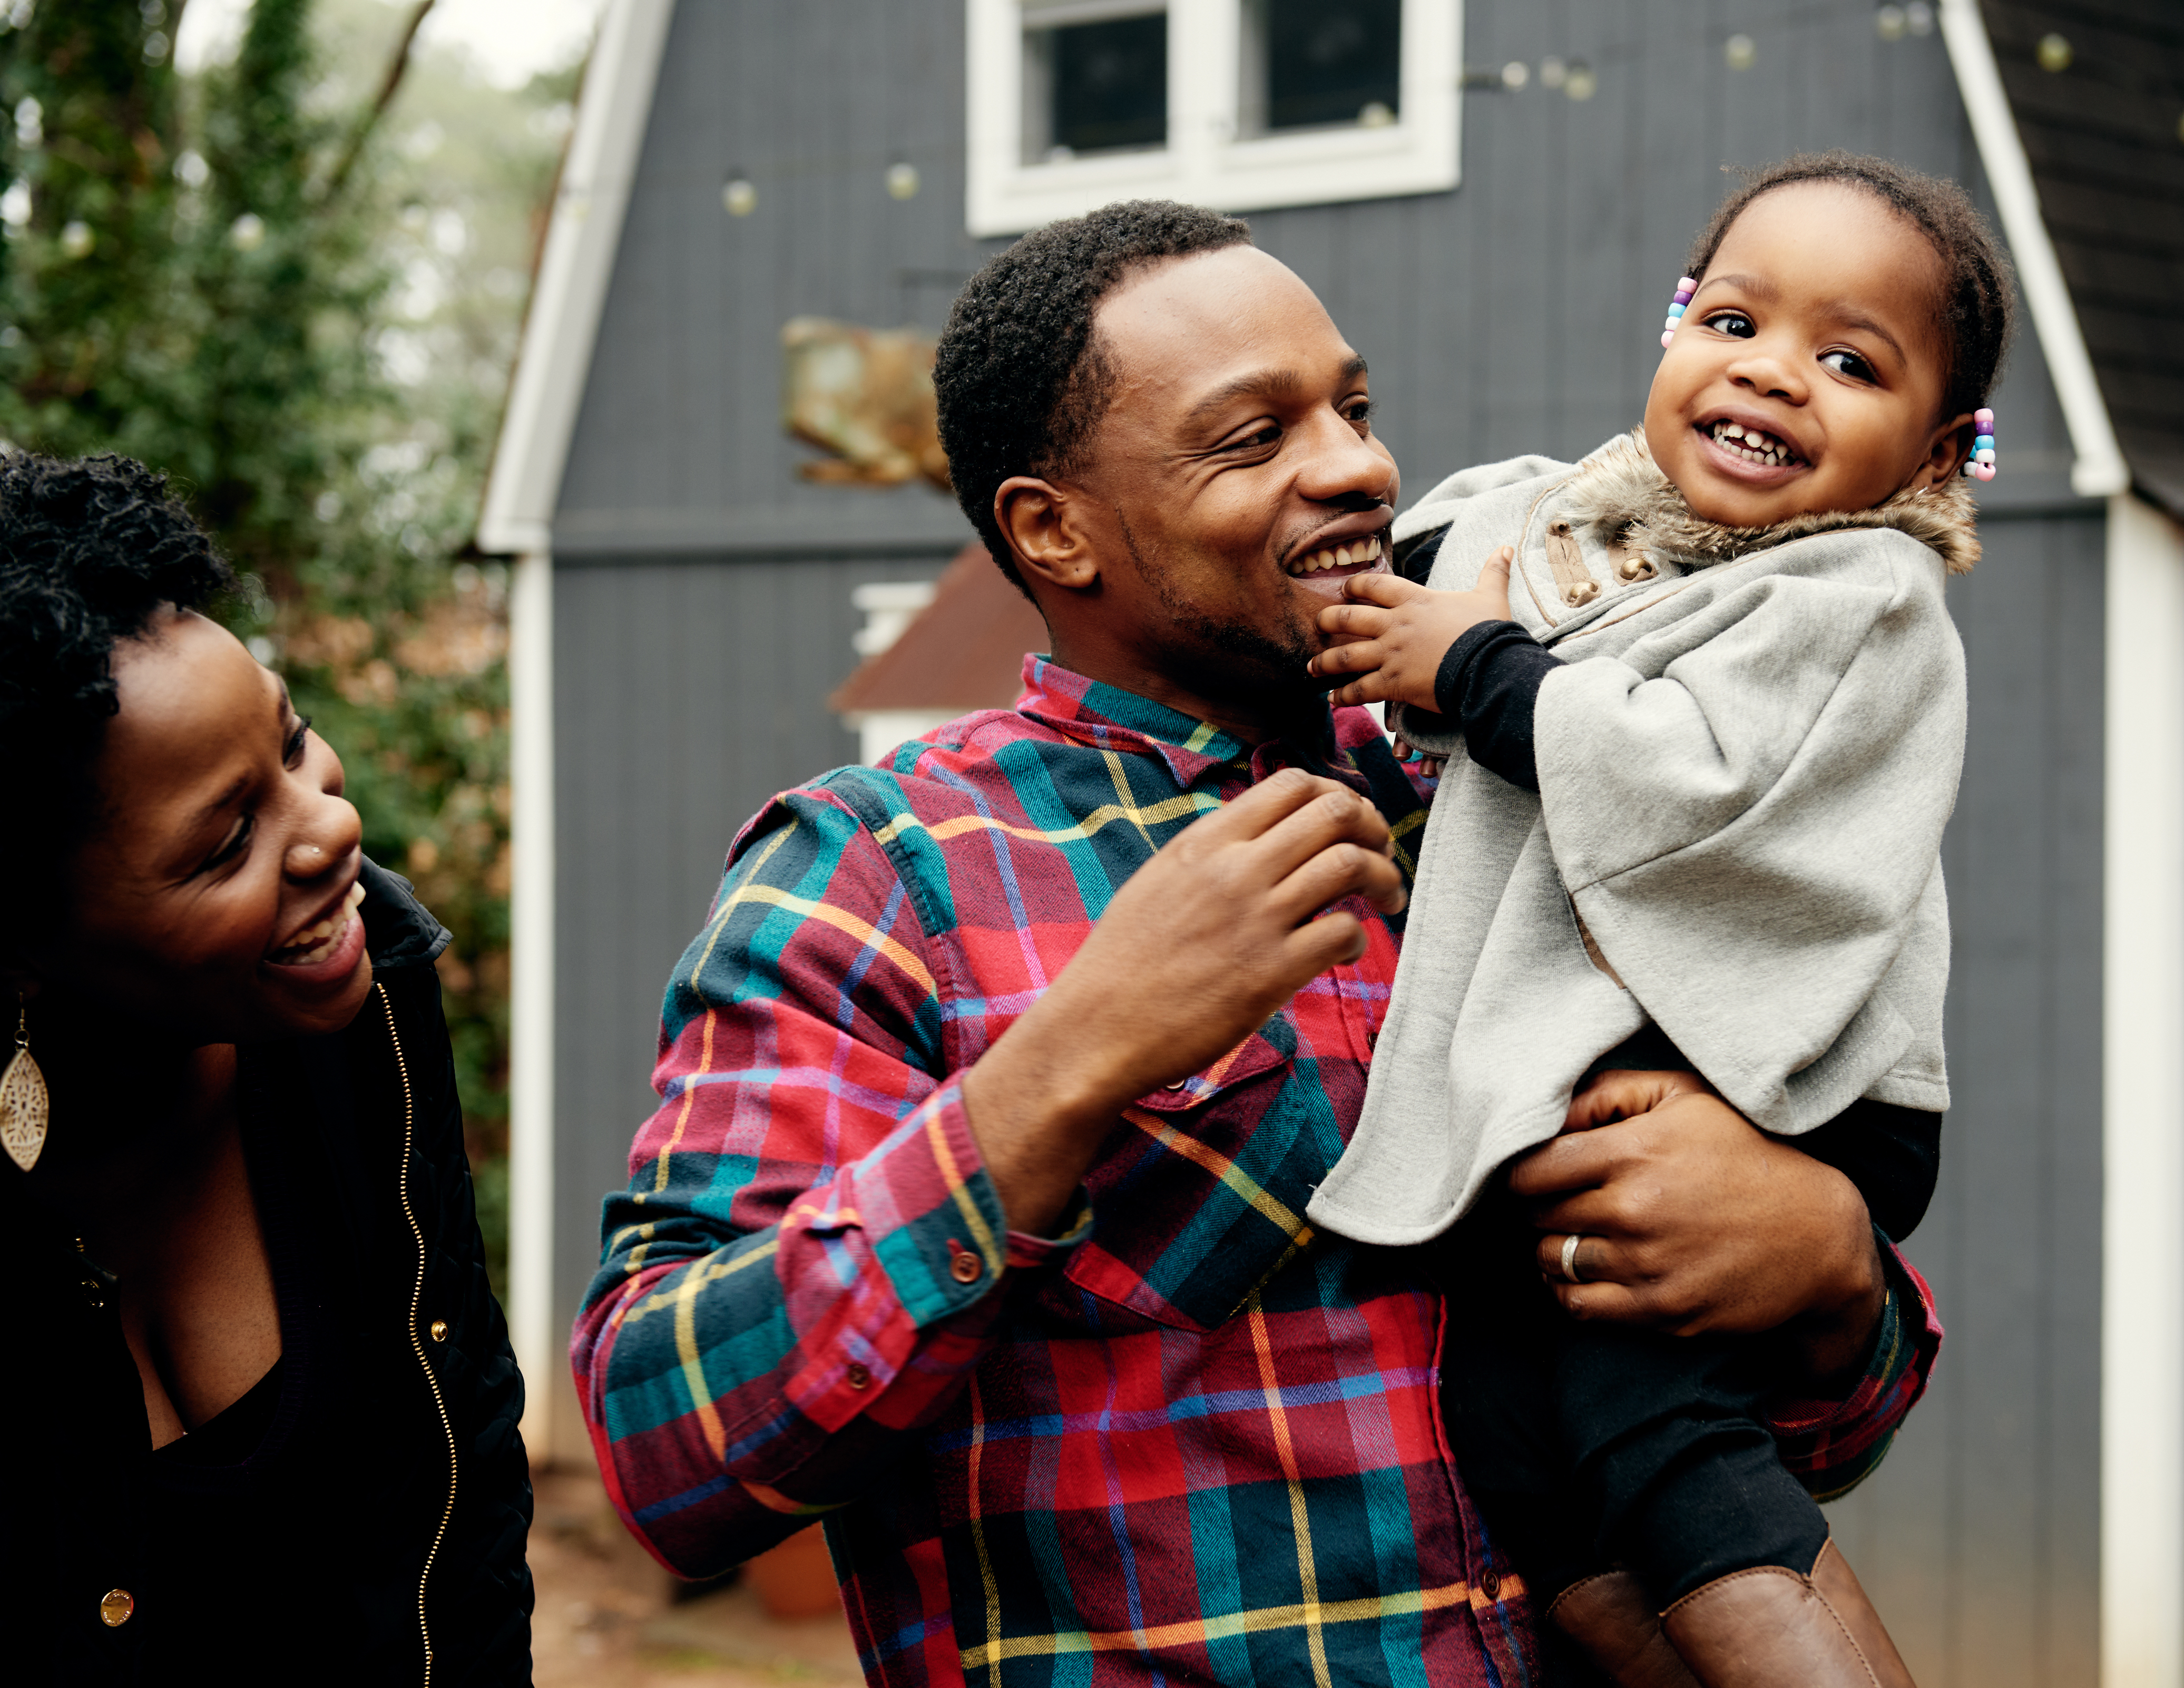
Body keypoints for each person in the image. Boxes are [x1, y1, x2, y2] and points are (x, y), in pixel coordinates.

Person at [572, 199, 1937, 1687]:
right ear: (1053, 529)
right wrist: (1072, 1061)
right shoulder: (878, 874)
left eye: (1351, 406)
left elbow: (1799, 1430)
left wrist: (1830, 1275)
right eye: (1252, 437)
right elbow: (672, 1457)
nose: (1356, 465)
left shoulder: (1509, 775)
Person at [1300, 153, 2012, 1686]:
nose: (1772, 374)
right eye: (1736, 320)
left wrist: (1470, 664)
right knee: (1508, 1430)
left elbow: (1687, 774)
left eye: (1848, 360)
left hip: (1798, 1088)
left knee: (1653, 1423)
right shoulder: (1587, 528)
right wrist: (1380, 580)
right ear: (1674, 327)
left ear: (1940, 451)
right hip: (1640, 1064)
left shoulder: (1858, 596)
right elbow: (1463, 556)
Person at [0, 454, 532, 1684]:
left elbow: (469, 1481)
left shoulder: (370, 1003)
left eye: (293, 741)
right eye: (232, 837)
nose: (332, 825)